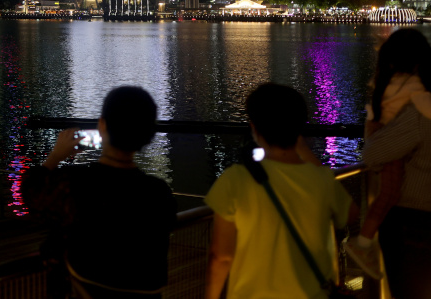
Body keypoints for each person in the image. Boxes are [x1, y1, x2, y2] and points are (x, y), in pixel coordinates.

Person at [204, 83, 357, 299]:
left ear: (254, 127)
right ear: (299, 129)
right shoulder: (322, 180)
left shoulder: (235, 179)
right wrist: (304, 151)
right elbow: (351, 214)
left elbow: (221, 256)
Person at [24, 86, 176, 298]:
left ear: (102, 125)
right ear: (148, 135)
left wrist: (55, 156)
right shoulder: (159, 193)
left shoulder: (74, 184)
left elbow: (32, 194)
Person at [363, 39, 431, 299]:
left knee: (408, 291)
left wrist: (373, 126)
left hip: (408, 220)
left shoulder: (421, 116)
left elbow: (372, 154)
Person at [347, 29, 431, 277]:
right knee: (390, 193)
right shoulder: (416, 86)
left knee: (387, 192)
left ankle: (364, 242)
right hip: (393, 151)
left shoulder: (386, 81)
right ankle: (362, 243)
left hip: (382, 140)